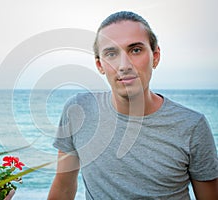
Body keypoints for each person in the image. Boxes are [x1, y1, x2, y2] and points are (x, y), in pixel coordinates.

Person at [48, 11, 218, 199]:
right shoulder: (78, 111)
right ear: (99, 65)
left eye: (135, 50)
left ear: (155, 56)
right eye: (111, 53)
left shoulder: (191, 126)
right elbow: (63, 188)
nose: (124, 65)